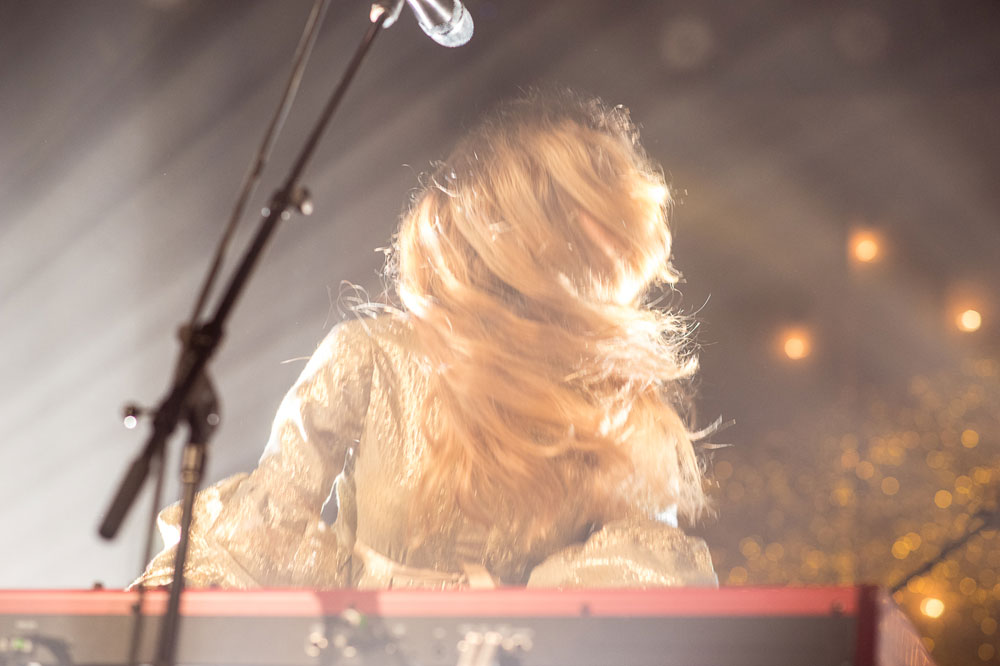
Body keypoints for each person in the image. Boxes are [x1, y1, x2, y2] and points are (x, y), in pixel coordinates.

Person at [136, 90, 717, 589]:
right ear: (521, 217)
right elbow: (261, 531)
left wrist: (502, 610)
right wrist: (382, 597)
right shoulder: (374, 354)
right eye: (588, 207)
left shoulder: (622, 402)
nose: (610, 233)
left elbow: (637, 573)